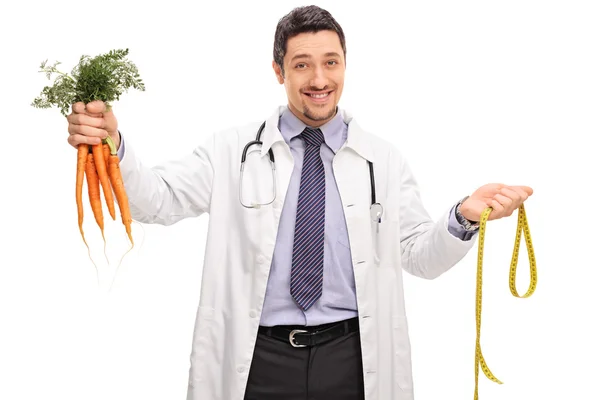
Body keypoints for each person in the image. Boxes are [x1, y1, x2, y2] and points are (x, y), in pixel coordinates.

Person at [65, 5, 533, 400]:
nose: (319, 79)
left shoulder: (383, 160)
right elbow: (157, 201)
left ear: (345, 65)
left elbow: (418, 256)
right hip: (258, 361)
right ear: (278, 71)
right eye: (302, 64)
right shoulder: (232, 150)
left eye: (331, 62)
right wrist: (113, 146)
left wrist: (463, 218)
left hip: (352, 358)